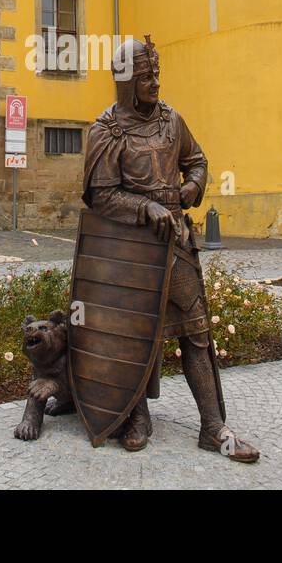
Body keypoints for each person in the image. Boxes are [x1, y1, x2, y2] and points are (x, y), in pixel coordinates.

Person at [80, 36, 260, 462]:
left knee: (197, 333)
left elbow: (196, 159)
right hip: (130, 250)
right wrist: (145, 207)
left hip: (175, 244)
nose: (155, 83)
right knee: (133, 336)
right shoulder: (106, 131)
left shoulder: (171, 120)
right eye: (145, 77)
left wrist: (194, 185)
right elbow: (101, 195)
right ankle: (135, 416)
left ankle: (213, 428)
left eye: (156, 74)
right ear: (126, 82)